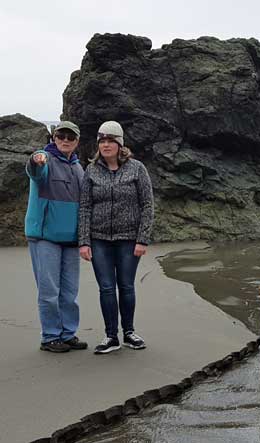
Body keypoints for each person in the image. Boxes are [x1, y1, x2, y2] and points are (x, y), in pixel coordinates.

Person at [79, 121, 154, 354]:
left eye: (111, 140)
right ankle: (111, 337)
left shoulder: (137, 168)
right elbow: (84, 207)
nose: (106, 145)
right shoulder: (91, 171)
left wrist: (142, 239)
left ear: (120, 144)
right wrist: (83, 241)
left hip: (129, 239)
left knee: (126, 286)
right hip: (99, 239)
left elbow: (148, 205)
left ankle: (129, 332)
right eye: (102, 141)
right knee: (107, 289)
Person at [25, 121, 88, 352]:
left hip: (71, 239)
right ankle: (50, 337)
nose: (65, 140)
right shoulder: (46, 158)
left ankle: (67, 333)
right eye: (60, 135)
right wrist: (36, 159)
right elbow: (35, 168)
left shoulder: (79, 168)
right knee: (49, 291)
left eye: (70, 137)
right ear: (53, 138)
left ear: (77, 141)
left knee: (70, 292)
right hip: (45, 237)